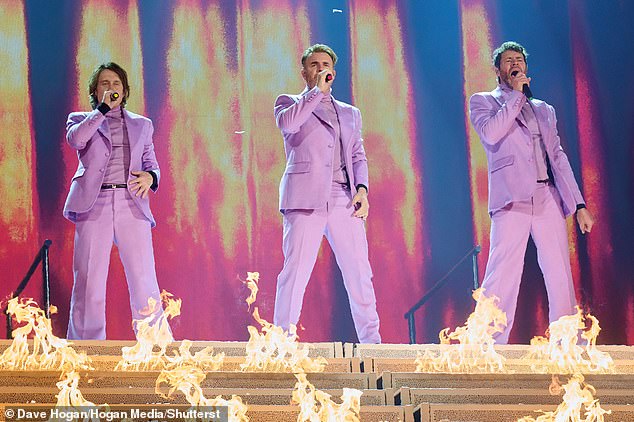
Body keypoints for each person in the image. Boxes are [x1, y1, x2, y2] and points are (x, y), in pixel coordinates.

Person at [469, 41, 595, 343]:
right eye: (509, 60)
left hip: (547, 195)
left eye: (520, 60)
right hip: (511, 199)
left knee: (559, 273)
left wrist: (578, 204)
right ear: (498, 69)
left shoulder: (544, 109)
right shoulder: (484, 101)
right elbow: (490, 133)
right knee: (502, 273)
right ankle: (488, 345)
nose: (515, 64)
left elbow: (558, 156)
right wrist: (514, 97)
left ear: (526, 67)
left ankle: (567, 346)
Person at [272, 44, 381, 343]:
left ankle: (372, 344)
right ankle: (281, 342)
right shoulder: (288, 103)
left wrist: (362, 189)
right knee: (295, 273)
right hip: (304, 198)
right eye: (314, 64)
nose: (320, 68)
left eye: (325, 64)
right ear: (304, 71)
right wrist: (315, 93)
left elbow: (358, 154)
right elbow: (289, 124)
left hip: (343, 198)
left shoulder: (349, 113)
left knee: (360, 273)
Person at [64, 62, 165, 340]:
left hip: (131, 201)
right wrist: (102, 111)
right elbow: (76, 140)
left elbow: (151, 163)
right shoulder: (80, 119)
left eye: (116, 83)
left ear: (125, 90)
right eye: (105, 84)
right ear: (95, 91)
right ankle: (86, 350)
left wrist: (150, 177)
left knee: (143, 277)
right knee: (89, 281)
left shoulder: (142, 124)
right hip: (93, 203)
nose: (111, 88)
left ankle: (155, 346)